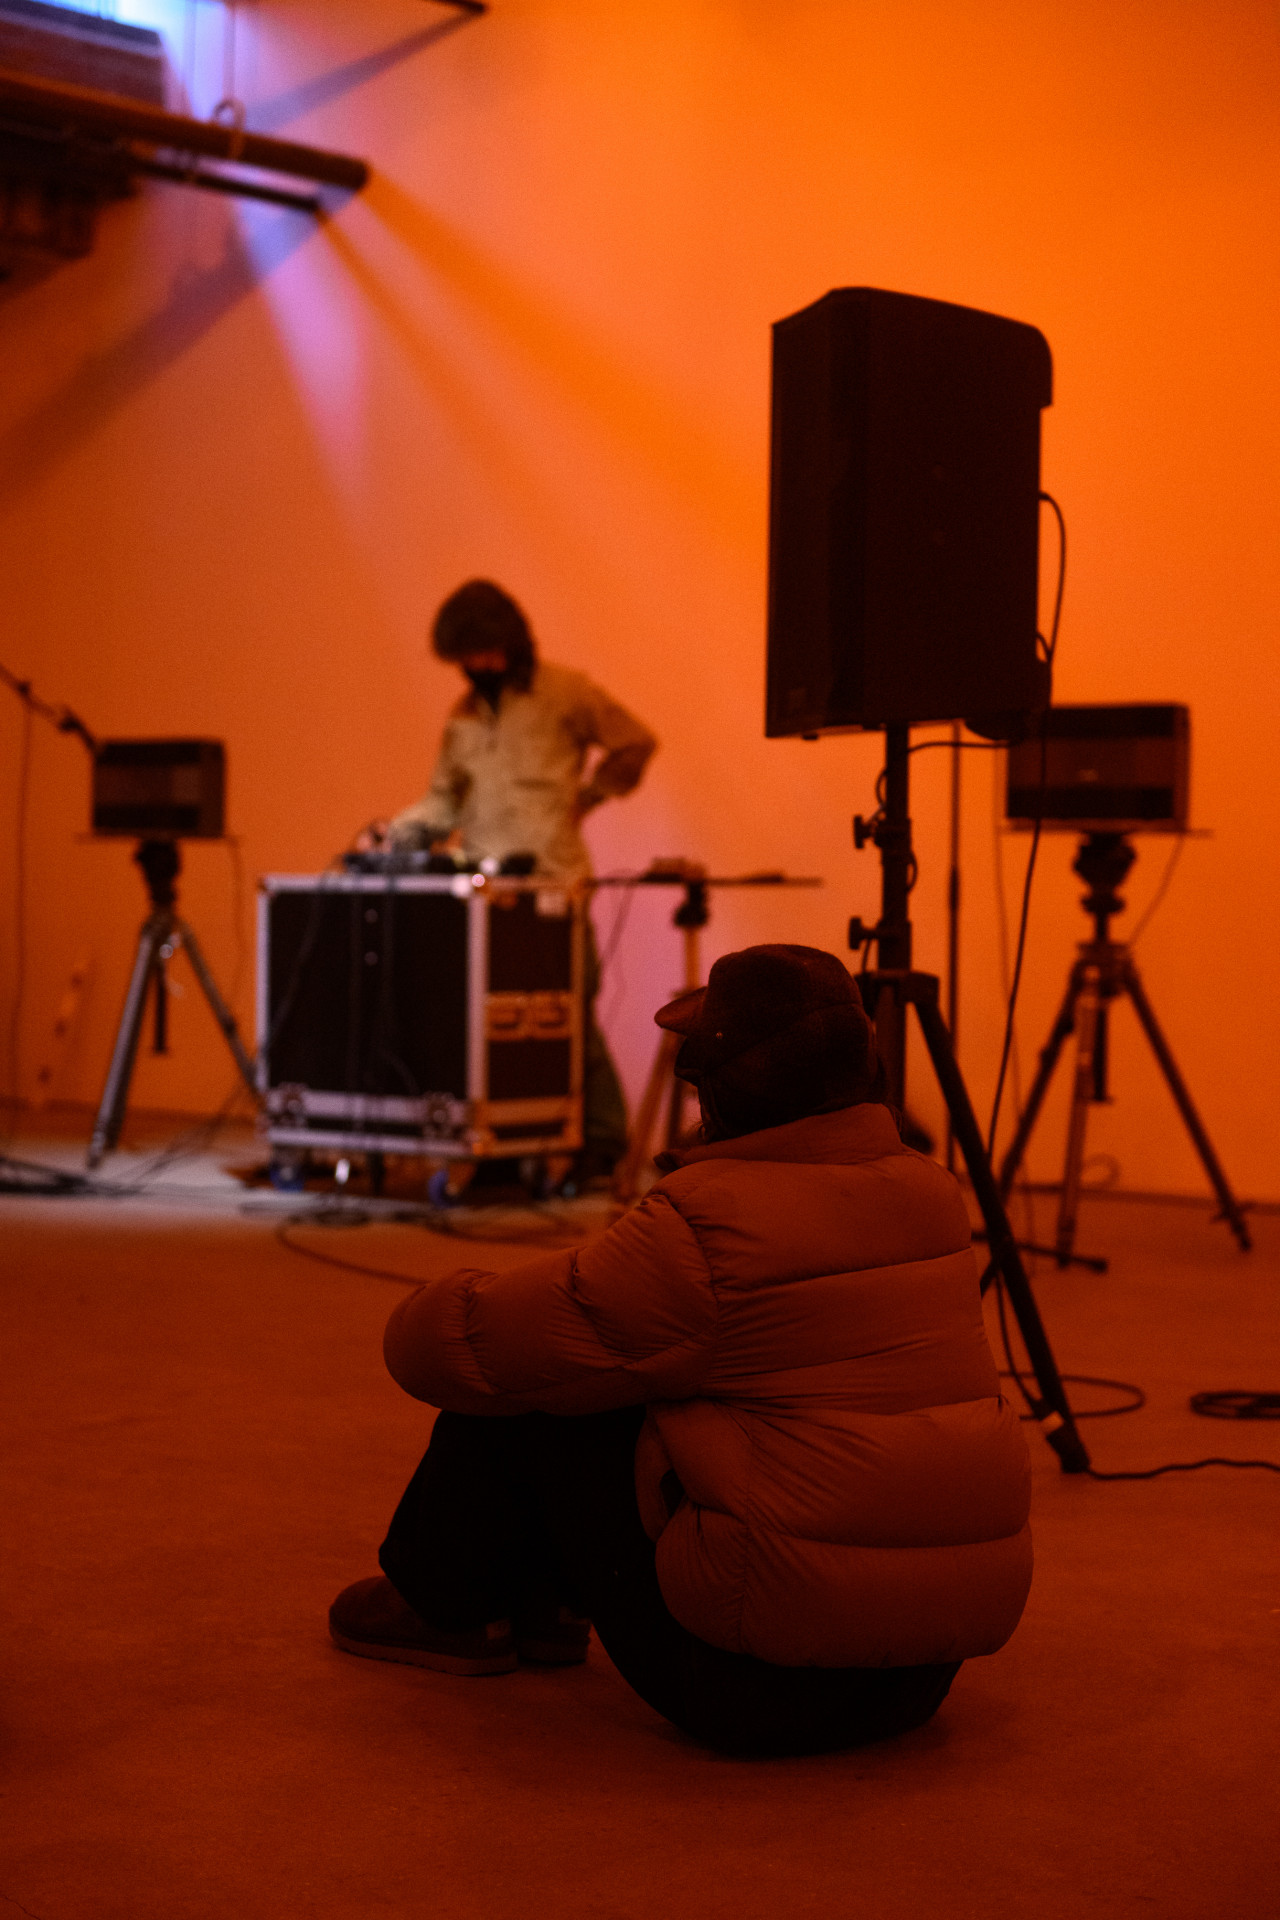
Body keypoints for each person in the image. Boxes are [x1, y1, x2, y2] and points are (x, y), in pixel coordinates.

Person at [328, 945, 1033, 1757]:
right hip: (920, 1670)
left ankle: (442, 1603)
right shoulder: (931, 1191)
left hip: (760, 1682)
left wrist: (439, 1301)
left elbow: (456, 1351)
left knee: (538, 1376)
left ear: (716, 1088)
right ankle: (543, 1607)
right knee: (655, 1368)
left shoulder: (708, 1223)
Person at [377, 579, 657, 1177]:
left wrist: (586, 798)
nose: (473, 667)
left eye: (481, 653)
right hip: (484, 894)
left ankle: (602, 1141)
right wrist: (402, 829)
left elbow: (635, 742)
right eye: (462, 659)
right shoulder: (463, 714)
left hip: (554, 886)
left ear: (510, 642)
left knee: (567, 1010)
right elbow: (444, 799)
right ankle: (505, 1148)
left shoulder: (567, 694)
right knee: (488, 1022)